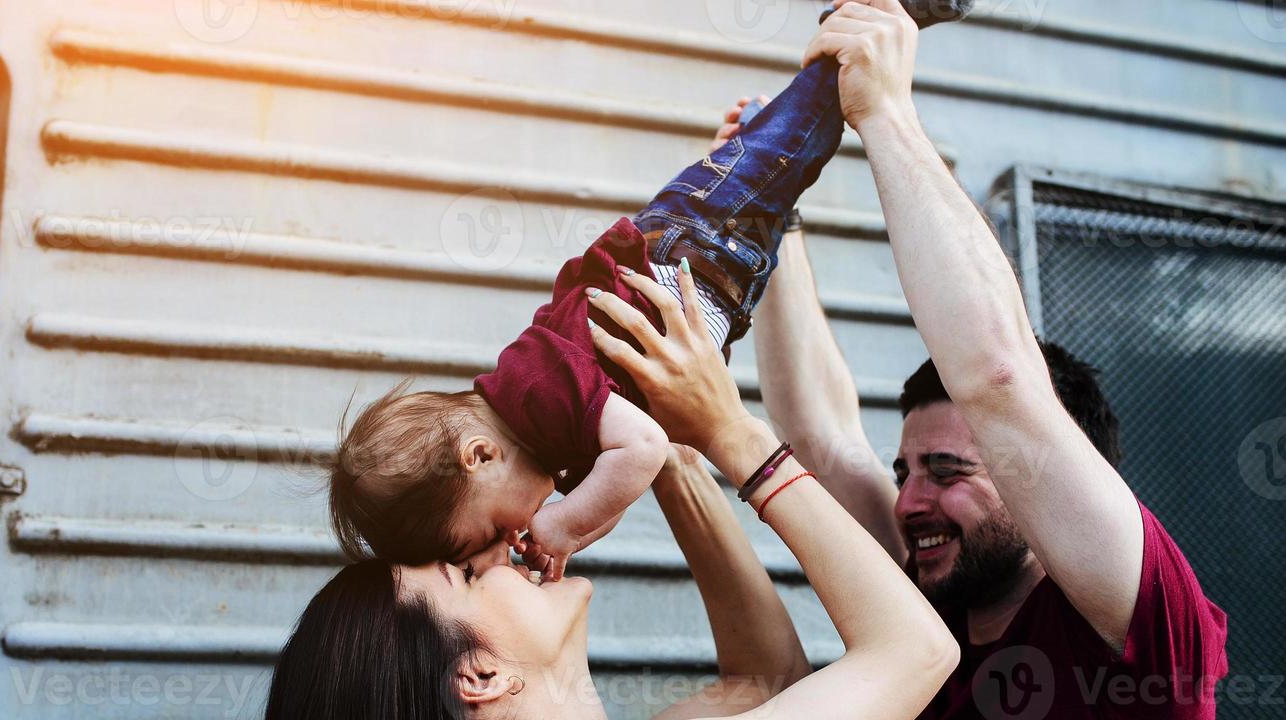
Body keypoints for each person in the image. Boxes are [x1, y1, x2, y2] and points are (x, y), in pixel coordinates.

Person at [240, 265, 959, 720]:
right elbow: (917, 651)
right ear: (480, 676)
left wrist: (669, 452)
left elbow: (764, 684)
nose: (503, 552)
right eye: (466, 572)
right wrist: (735, 434)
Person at [713, 1, 1230, 720]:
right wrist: (770, 208)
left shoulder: (1140, 633)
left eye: (951, 473)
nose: (912, 499)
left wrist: (889, 114)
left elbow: (999, 380)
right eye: (909, 467)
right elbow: (821, 438)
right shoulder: (934, 624)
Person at [326, 1, 971, 582]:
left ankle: (876, 17)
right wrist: (570, 533)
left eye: (494, 530)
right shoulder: (544, 428)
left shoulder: (538, 399)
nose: (515, 533)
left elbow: (646, 450)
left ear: (478, 454)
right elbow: (627, 471)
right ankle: (796, 88)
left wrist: (566, 525)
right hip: (716, 271)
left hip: (692, 246)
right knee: (791, 156)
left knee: (805, 135)